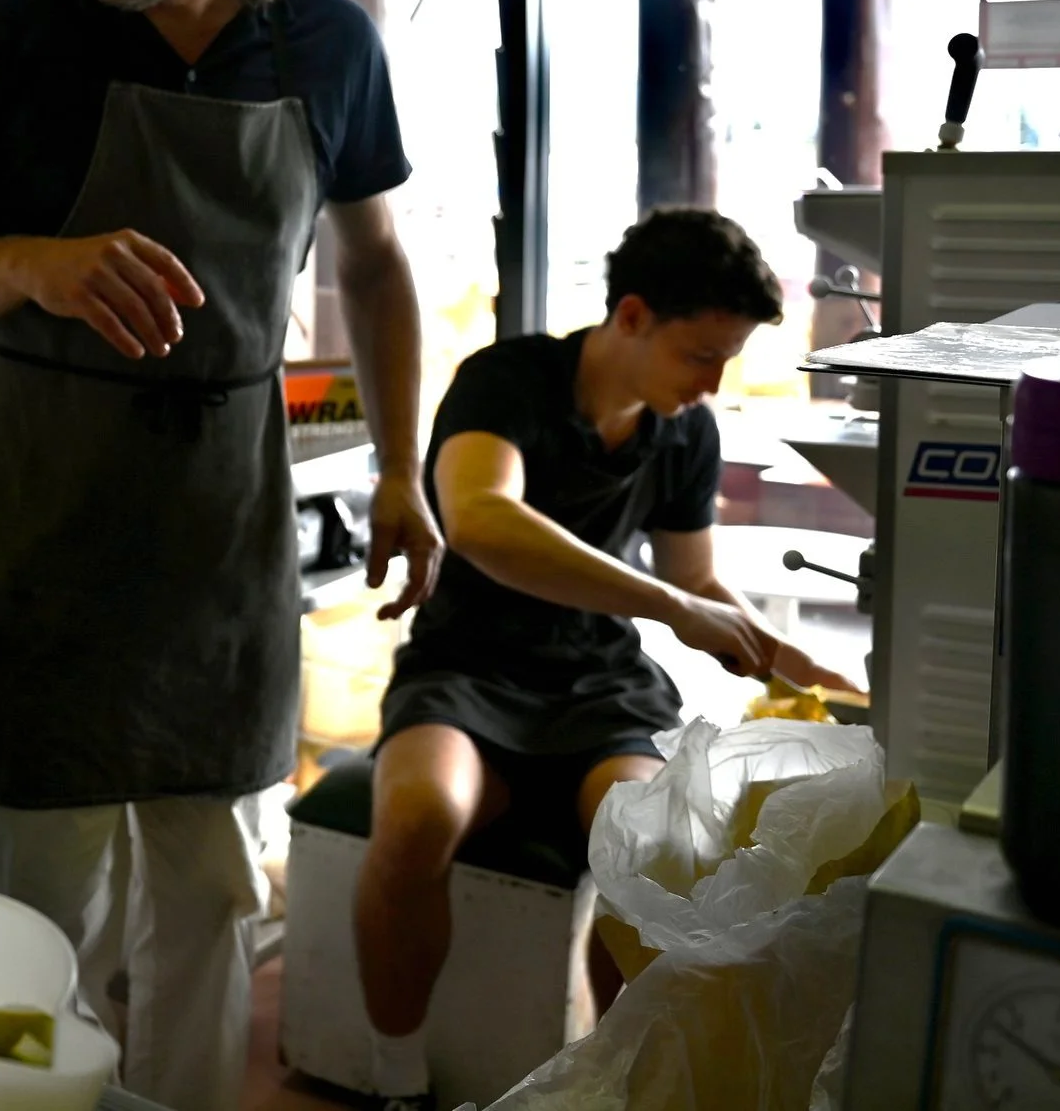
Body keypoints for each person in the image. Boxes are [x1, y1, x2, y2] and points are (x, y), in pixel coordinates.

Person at [0, 0, 444, 1111]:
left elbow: (375, 263)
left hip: (218, 514)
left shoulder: (326, 42)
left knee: (209, 882)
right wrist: (33, 263)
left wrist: (401, 469)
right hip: (43, 504)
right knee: (44, 897)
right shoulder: (11, 34)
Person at [352, 208, 862, 1111]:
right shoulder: (507, 381)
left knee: (657, 854)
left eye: (727, 360)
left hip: (600, 684)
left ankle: (607, 1085)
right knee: (415, 818)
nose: (711, 383)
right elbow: (479, 518)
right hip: (465, 667)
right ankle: (398, 1080)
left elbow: (698, 581)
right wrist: (671, 606)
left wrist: (816, 677)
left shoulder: (684, 432)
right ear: (632, 315)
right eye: (700, 355)